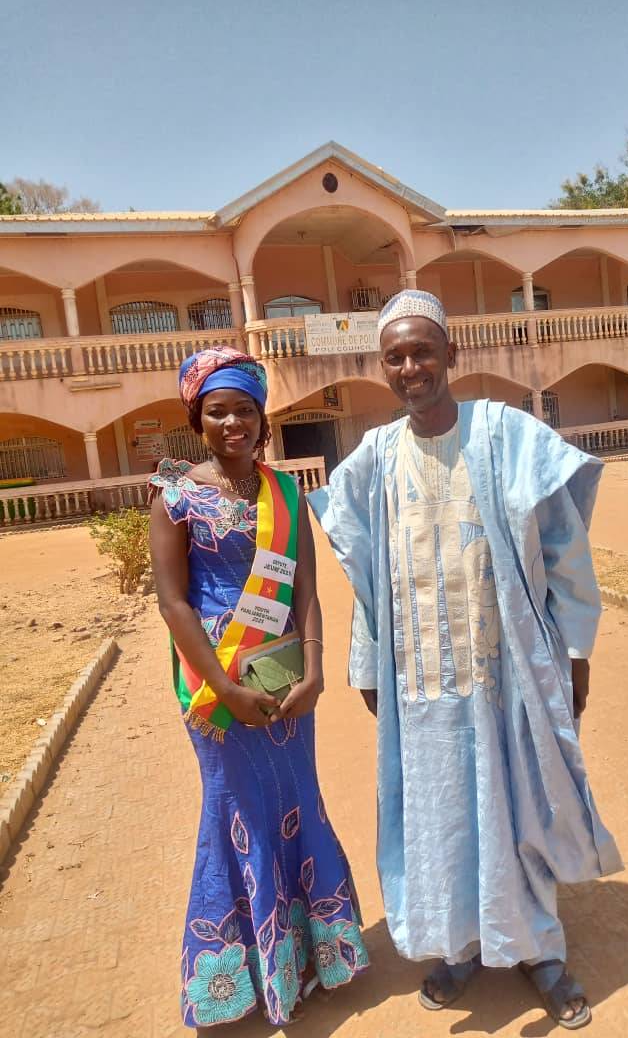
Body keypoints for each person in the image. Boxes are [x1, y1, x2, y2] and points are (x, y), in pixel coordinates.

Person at [309, 290, 622, 1030]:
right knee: (439, 815)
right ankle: (458, 947)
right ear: (382, 366)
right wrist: (367, 665)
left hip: (507, 667)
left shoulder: (507, 434)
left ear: (452, 355)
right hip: (419, 685)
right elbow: (363, 572)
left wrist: (574, 652)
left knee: (520, 802)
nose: (411, 366)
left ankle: (539, 949)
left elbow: (564, 547)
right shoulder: (374, 459)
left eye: (423, 351)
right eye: (396, 355)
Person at [149, 347, 368, 1030]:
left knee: (295, 800)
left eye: (244, 409)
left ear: (260, 418)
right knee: (233, 809)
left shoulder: (283, 494)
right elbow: (173, 601)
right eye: (218, 411)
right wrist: (222, 685)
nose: (233, 422)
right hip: (214, 686)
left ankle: (314, 956)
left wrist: (316, 666)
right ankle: (238, 974)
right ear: (198, 419)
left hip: (282, 679)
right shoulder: (175, 495)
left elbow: (304, 583)